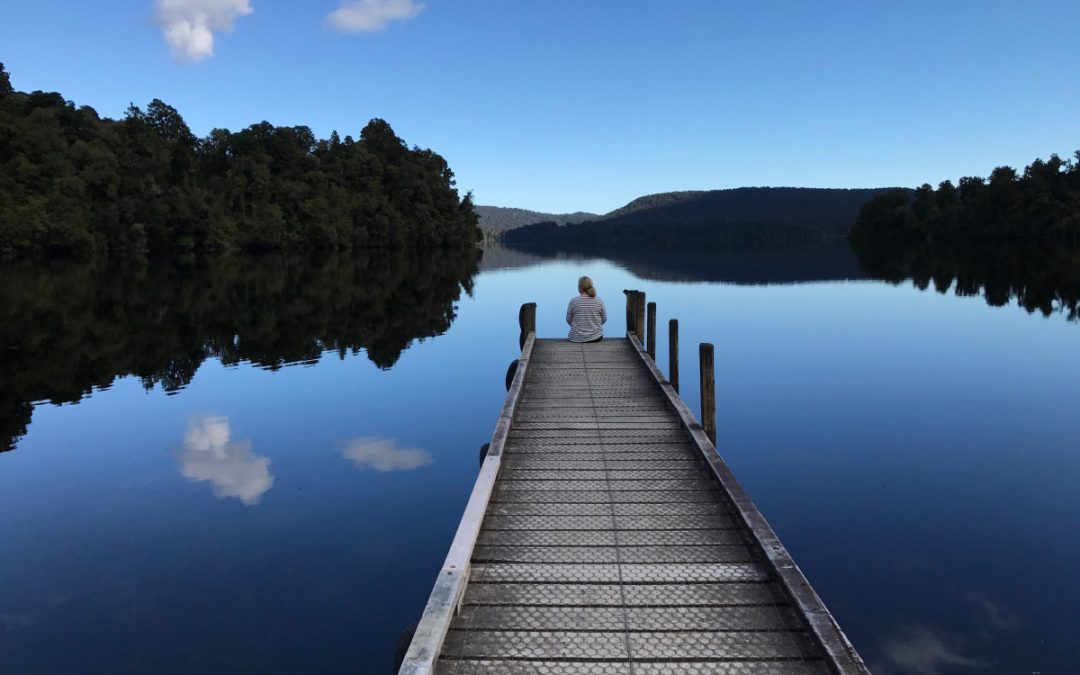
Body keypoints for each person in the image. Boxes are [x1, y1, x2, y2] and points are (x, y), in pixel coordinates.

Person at [566, 276, 606, 342]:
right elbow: (604, 319)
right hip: (596, 337)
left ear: (580, 288)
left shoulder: (573, 301)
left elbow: (568, 320)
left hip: (576, 338)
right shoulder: (599, 301)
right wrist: (594, 326)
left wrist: (578, 328)